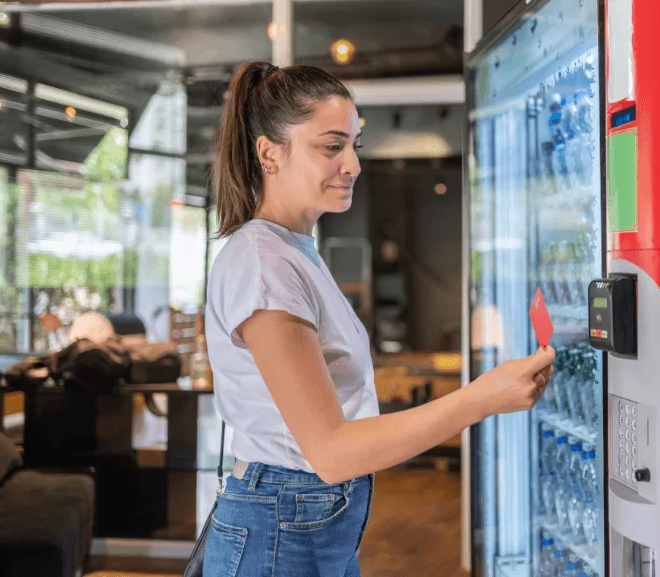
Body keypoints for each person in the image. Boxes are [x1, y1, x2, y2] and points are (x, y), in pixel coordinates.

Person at [203, 61, 556, 577]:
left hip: (302, 520)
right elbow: (331, 452)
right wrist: (479, 399)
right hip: (282, 523)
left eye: (354, 146)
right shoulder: (265, 262)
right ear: (268, 153)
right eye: (331, 146)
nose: (353, 165)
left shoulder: (292, 251)